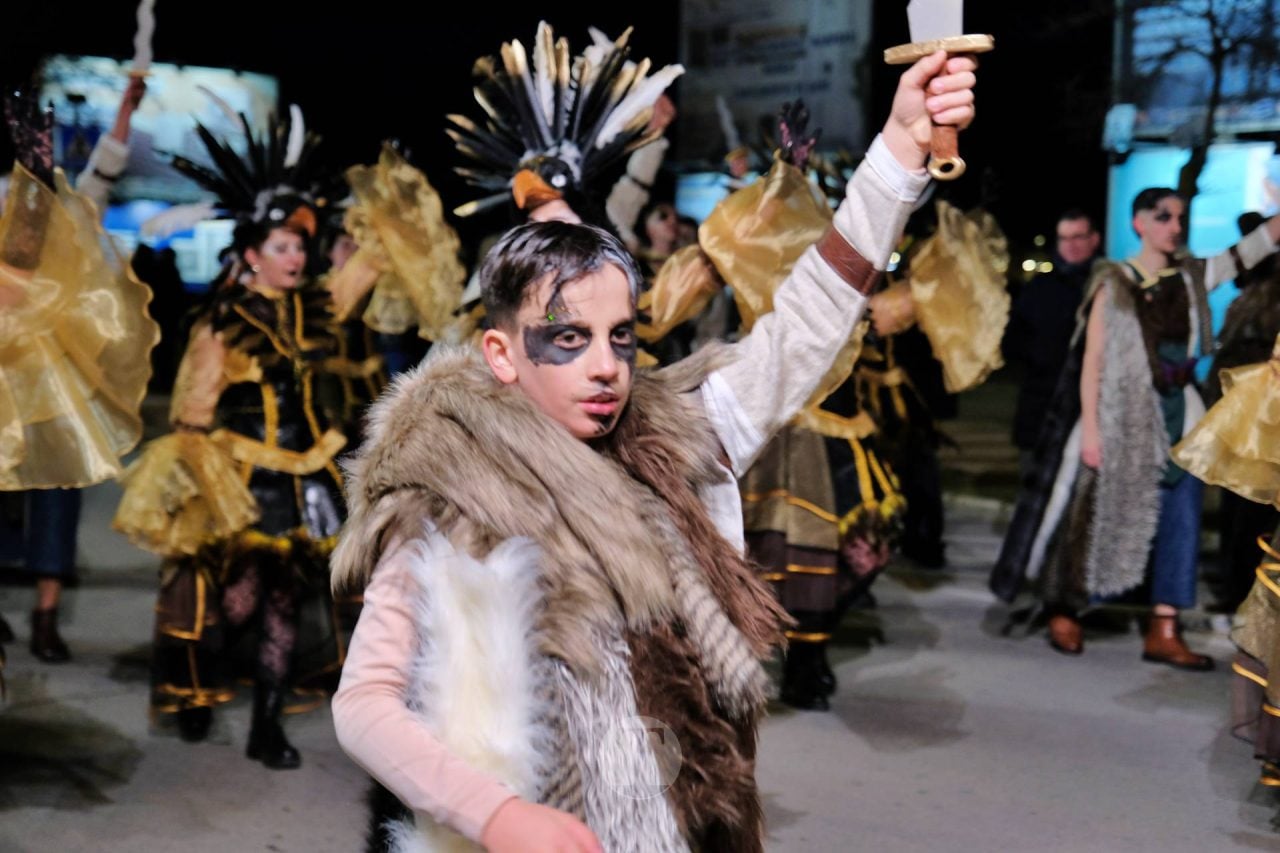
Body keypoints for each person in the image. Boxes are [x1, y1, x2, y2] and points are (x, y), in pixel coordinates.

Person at [331, 49, 976, 851]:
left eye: (621, 336)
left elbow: (806, 323)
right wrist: (494, 813)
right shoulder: (446, 489)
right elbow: (365, 700)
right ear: (501, 353)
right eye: (568, 338)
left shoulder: (675, 434)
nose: (605, 364)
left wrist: (899, 153)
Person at [114, 110, 373, 759]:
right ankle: (199, 675)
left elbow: (367, 269)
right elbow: (191, 414)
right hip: (243, 476)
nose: (295, 257)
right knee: (235, 599)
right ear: (252, 252)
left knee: (286, 594)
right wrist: (208, 487)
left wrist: (392, 217)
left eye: (299, 245)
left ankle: (266, 724)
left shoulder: (315, 306)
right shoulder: (220, 323)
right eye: (281, 246)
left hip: (308, 473)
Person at [992, 187, 1280, 665]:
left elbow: (1253, 247)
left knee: (1180, 519)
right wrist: (1090, 433)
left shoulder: (1191, 275)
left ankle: (1164, 626)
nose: (1174, 225)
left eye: (1179, 217)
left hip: (1179, 413)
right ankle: (1065, 606)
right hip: (1120, 414)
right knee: (1091, 514)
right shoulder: (1115, 282)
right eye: (1163, 216)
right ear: (1139, 223)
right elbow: (1094, 360)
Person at [0, 77, 156, 663]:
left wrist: (123, 110)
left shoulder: (70, 207)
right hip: (2, 382)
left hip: (57, 385)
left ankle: (46, 615)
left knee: (59, 495)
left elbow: (104, 172)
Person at [1003, 209, 1101, 479]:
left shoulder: (1105, 286)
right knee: (1035, 494)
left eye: (1078, 236)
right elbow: (1013, 341)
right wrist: (1039, 357)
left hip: (1089, 410)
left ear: (1094, 239)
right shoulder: (1040, 286)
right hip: (1041, 407)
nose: (1071, 245)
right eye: (1064, 238)